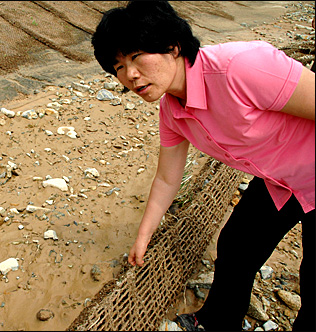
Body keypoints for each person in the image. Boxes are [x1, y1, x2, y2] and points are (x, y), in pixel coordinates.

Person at [91, 1, 315, 331]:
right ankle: (217, 322)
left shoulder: (242, 67)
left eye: (136, 57)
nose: (130, 75)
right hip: (281, 180)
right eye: (119, 66)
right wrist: (143, 236)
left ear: (173, 45)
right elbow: (168, 178)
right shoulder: (172, 111)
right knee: (236, 247)